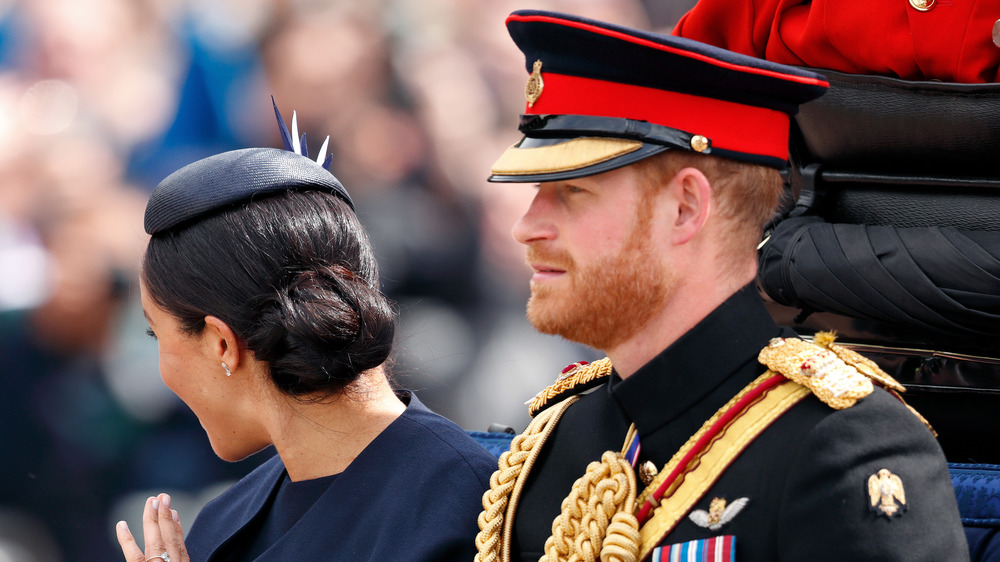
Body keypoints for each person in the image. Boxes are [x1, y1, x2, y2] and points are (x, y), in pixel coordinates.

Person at [474, 10, 969, 562]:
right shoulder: (561, 439)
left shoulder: (843, 449)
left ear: (685, 208)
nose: (526, 226)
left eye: (571, 193)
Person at [114, 105, 497, 562]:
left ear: (221, 343)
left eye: (156, 334)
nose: (162, 371)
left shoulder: (478, 508)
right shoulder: (225, 522)